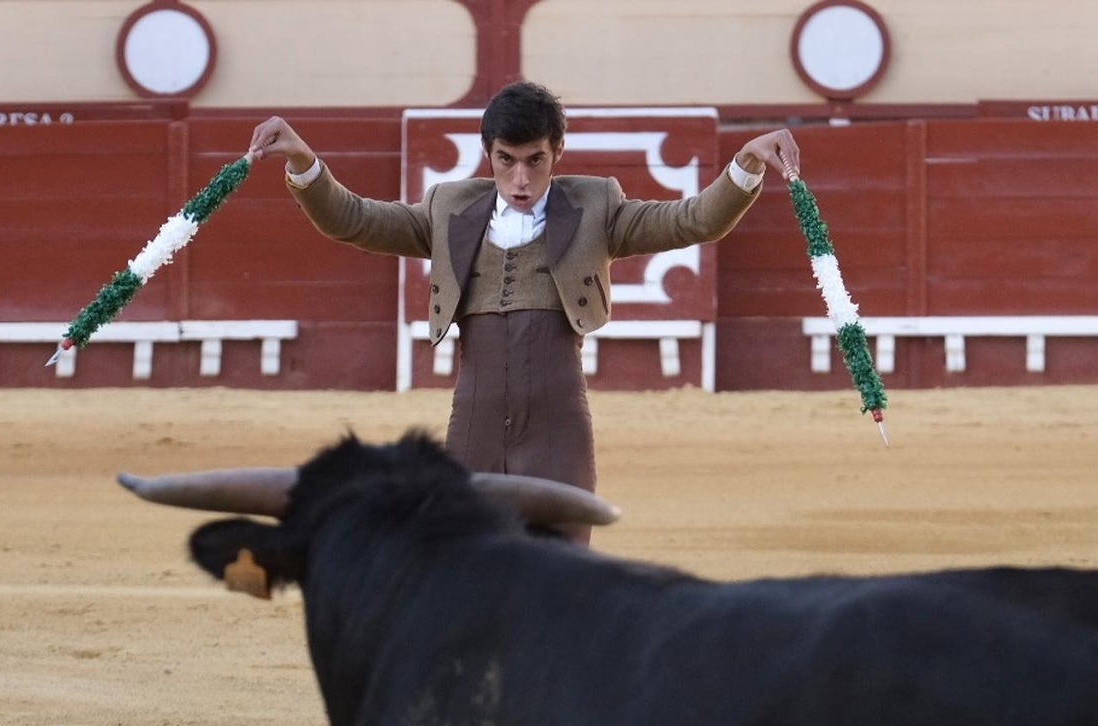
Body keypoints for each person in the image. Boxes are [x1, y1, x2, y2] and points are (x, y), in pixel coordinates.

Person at [248, 81, 800, 545]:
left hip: (558, 423)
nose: (519, 180)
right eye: (506, 161)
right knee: (463, 565)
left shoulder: (596, 204)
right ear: (488, 153)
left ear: (557, 152)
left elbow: (692, 219)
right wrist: (304, 162)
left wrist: (744, 164)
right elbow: (354, 219)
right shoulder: (448, 207)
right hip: (474, 424)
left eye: (535, 161)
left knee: (561, 569)